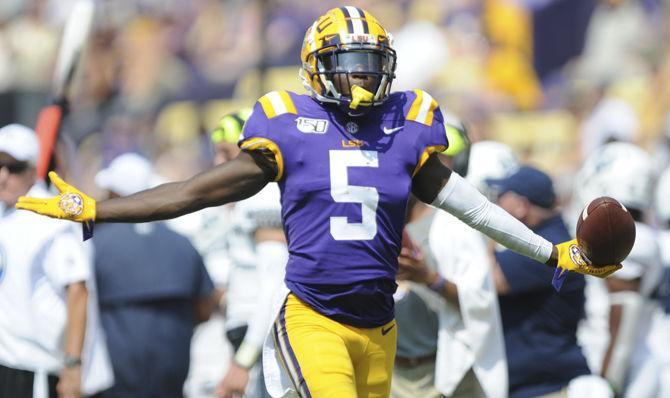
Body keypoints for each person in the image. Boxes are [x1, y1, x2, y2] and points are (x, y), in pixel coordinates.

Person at [16, 7, 621, 398]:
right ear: (317, 68)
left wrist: (555, 254)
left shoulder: (406, 125)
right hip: (315, 321)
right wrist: (95, 208)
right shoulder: (285, 126)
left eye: (370, 65)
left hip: (379, 328)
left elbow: (473, 208)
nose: (361, 78)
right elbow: (191, 192)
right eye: (348, 65)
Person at [0, 124, 112, 398]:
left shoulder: (52, 218)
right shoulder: (7, 212)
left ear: (31, 169)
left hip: (40, 367)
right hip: (11, 361)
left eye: (12, 168)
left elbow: (78, 291)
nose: (2, 176)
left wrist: (73, 366)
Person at [392, 138, 511, 398]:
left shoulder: (454, 225)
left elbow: (481, 301)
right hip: (390, 372)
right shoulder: (375, 220)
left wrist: (429, 278)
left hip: (443, 373)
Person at [91, 153, 217, 398]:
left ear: (115, 194)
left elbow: (79, 304)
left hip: (116, 373)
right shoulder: (182, 243)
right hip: (173, 364)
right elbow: (205, 308)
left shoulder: (96, 244)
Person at [488, 165, 608, 398]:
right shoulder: (553, 239)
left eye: (501, 198)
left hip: (547, 387)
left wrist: (483, 226)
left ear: (521, 206)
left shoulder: (548, 247)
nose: (496, 205)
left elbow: (488, 281)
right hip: (541, 382)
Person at [208, 110, 287, 398]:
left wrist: (244, 359)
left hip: (264, 338)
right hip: (254, 336)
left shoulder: (263, 195)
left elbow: (273, 284)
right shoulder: (246, 200)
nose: (218, 163)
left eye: (227, 154)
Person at [574, 142, 664, 397]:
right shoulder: (645, 236)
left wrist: (607, 383)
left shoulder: (625, 239)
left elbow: (625, 311)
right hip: (634, 363)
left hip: (626, 371)